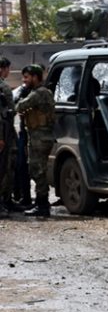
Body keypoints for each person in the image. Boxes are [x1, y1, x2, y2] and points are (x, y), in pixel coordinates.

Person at [17, 64, 55, 217]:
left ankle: (42, 205)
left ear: (35, 77)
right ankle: (41, 203)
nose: (24, 80)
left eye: (27, 77)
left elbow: (20, 106)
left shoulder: (38, 93)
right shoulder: (44, 92)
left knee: (37, 171)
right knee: (38, 170)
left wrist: (21, 97)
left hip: (39, 138)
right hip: (40, 137)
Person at [0, 57, 17, 218]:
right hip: (3, 132)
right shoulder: (4, 87)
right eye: (7, 68)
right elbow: (11, 112)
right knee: (4, 167)